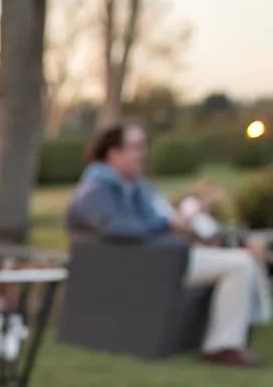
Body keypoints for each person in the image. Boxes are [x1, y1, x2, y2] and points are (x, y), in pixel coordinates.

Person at [67, 123, 271, 366]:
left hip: (164, 255)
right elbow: (117, 229)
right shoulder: (95, 191)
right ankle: (223, 346)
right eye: (136, 147)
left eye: (144, 146)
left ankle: (230, 337)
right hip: (148, 264)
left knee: (238, 257)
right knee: (241, 264)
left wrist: (183, 220)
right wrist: (168, 225)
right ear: (113, 153)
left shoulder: (135, 187)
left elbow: (160, 216)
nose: (143, 154)